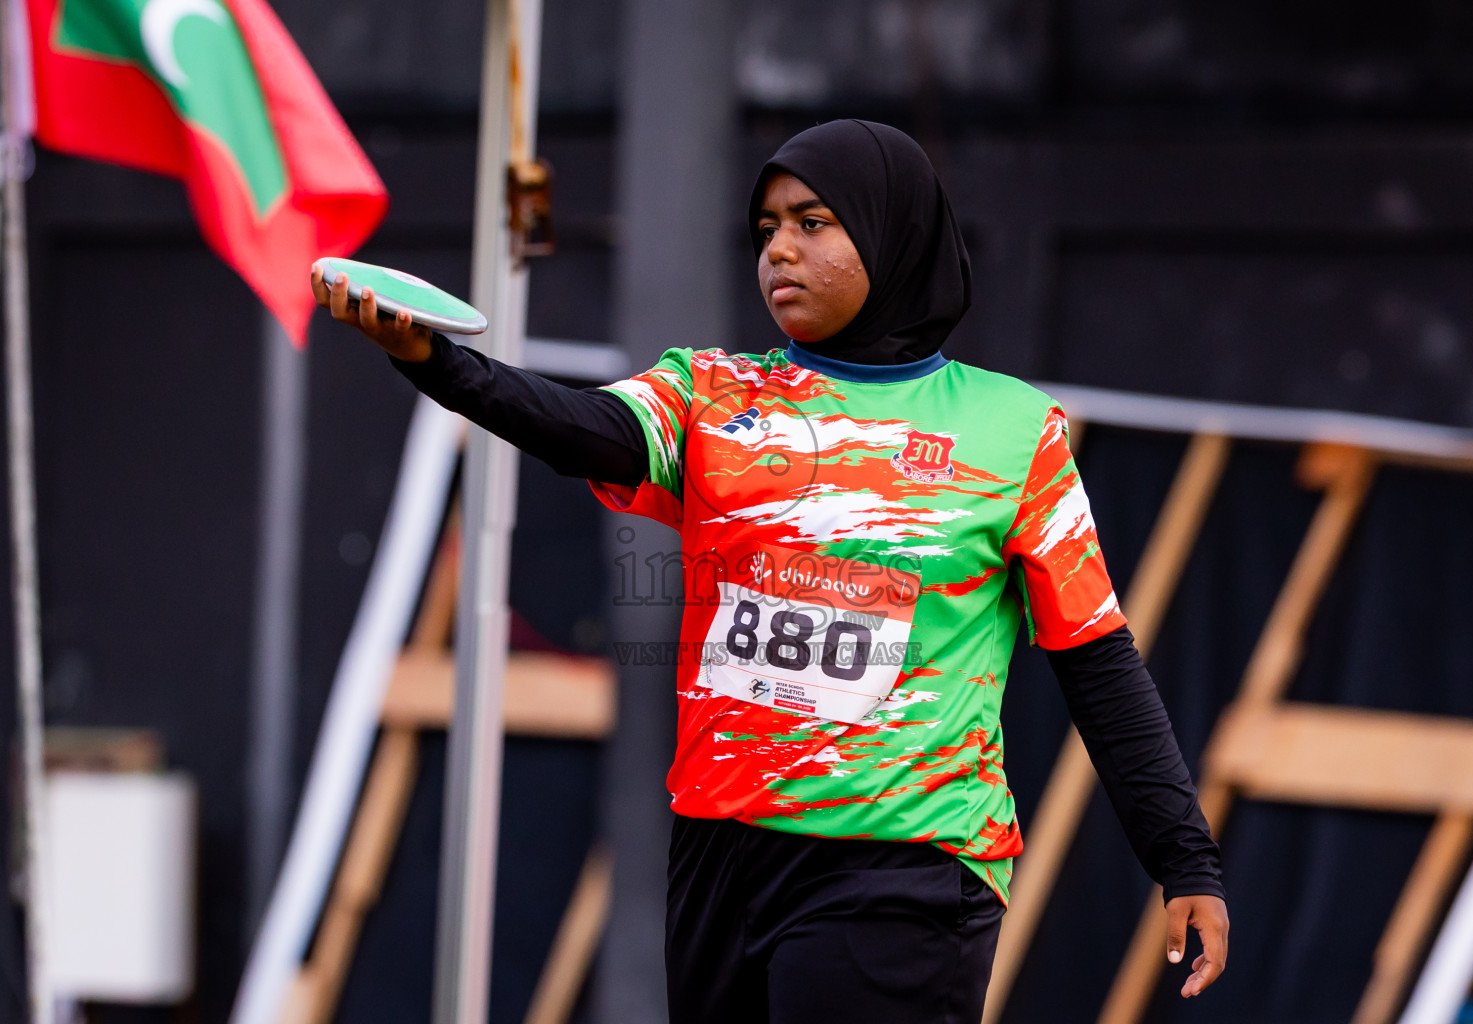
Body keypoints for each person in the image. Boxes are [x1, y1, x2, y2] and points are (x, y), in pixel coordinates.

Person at [313, 119, 1229, 1024]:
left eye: (812, 222)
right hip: (721, 855)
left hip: (903, 860)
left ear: (891, 231)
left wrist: (1184, 858)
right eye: (765, 230)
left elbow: (1099, 663)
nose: (778, 250)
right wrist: (435, 362)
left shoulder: (1013, 430)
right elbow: (577, 427)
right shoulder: (707, 393)